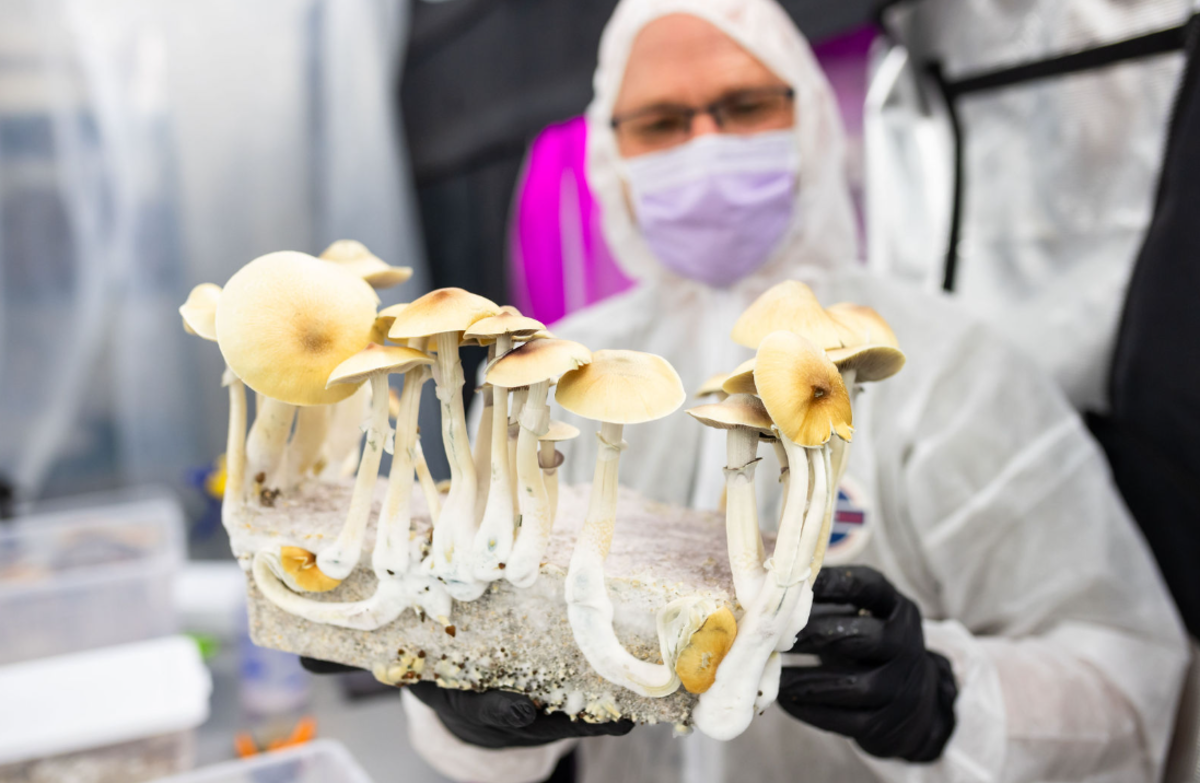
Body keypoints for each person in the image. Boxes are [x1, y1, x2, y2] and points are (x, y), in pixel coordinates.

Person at [395, 1, 1188, 781]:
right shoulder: (549, 378)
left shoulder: (949, 369)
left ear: (809, 122)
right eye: (662, 123)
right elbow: (472, 627)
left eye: (743, 107)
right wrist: (469, 711)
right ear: (612, 157)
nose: (703, 145)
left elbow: (1130, 667)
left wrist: (944, 698)